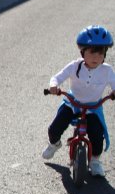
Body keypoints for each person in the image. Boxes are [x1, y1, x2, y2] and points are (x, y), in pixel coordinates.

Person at [43, 25, 115, 177]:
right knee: (55, 128)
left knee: (97, 135)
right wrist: (54, 86)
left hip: (93, 108)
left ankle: (95, 160)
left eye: (100, 53)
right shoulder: (74, 66)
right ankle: (54, 143)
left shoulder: (107, 70)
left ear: (105, 54)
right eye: (91, 52)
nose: (96, 57)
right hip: (73, 104)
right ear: (82, 52)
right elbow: (57, 77)